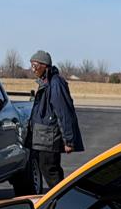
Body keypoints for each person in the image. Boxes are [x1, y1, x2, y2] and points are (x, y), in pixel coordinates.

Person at [26, 51, 83, 190]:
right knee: (44, 170)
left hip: (49, 139)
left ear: (44, 66)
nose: (33, 69)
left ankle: (61, 201)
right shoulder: (45, 82)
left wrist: (68, 141)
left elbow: (64, 113)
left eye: (35, 65)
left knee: (52, 173)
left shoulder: (55, 83)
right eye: (31, 65)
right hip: (42, 138)